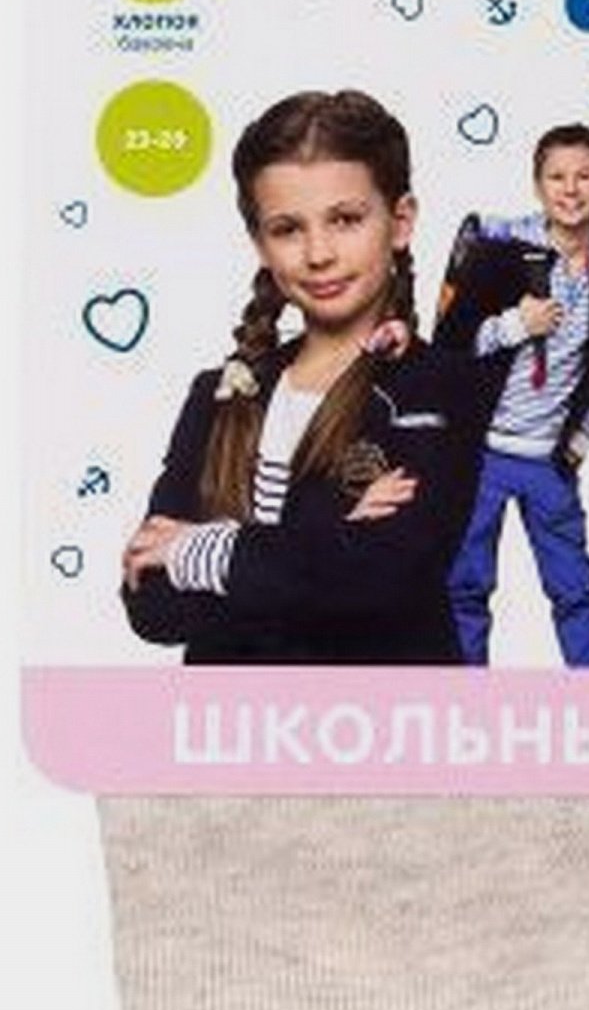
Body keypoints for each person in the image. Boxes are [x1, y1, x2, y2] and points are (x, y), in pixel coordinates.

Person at [120, 89, 501, 666]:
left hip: (385, 716)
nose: (319, 253)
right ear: (259, 243)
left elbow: (385, 580)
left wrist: (200, 549)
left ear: (400, 222)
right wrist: (332, 543)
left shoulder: (443, 387)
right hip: (232, 716)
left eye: (345, 220)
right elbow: (153, 605)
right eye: (287, 229)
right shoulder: (215, 394)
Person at [433, 123, 589, 667]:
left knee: (575, 589)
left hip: (549, 459)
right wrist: (514, 326)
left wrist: (579, 442)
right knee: (463, 587)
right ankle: (461, 696)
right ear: (537, 185)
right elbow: (449, 346)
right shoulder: (498, 252)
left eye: (584, 177)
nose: (570, 189)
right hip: (480, 453)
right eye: (557, 177)